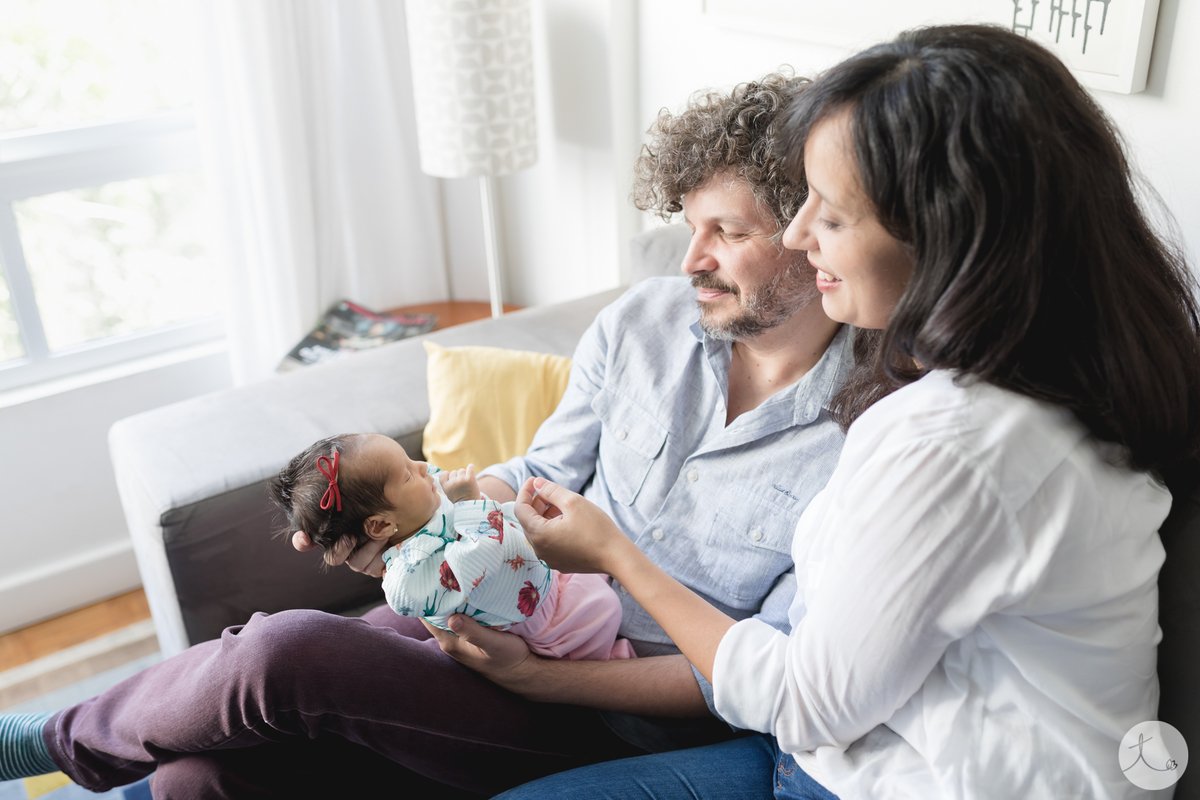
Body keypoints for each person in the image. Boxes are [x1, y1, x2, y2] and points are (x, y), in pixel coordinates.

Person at [0, 72, 856, 798]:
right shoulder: (644, 323)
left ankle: (53, 744)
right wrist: (421, 522)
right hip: (496, 601)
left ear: (812, 239)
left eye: (727, 233)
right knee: (200, 780)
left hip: (612, 710)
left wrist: (539, 677)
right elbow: (542, 470)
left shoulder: (865, 438)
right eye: (689, 224)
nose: (690, 259)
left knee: (286, 652)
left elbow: (753, 673)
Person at [463, 25, 1200, 800]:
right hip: (836, 753)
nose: (797, 233)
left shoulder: (954, 442)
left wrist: (612, 566)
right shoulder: (1032, 378)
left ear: (944, 234)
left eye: (834, 215)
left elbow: (808, 703)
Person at [273, 433, 634, 660]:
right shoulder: (406, 578)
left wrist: (511, 511)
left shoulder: (420, 507)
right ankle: (614, 658)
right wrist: (469, 504)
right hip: (547, 621)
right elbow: (483, 557)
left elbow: (474, 512)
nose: (424, 467)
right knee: (602, 617)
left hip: (548, 577)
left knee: (599, 593)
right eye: (407, 473)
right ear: (381, 525)